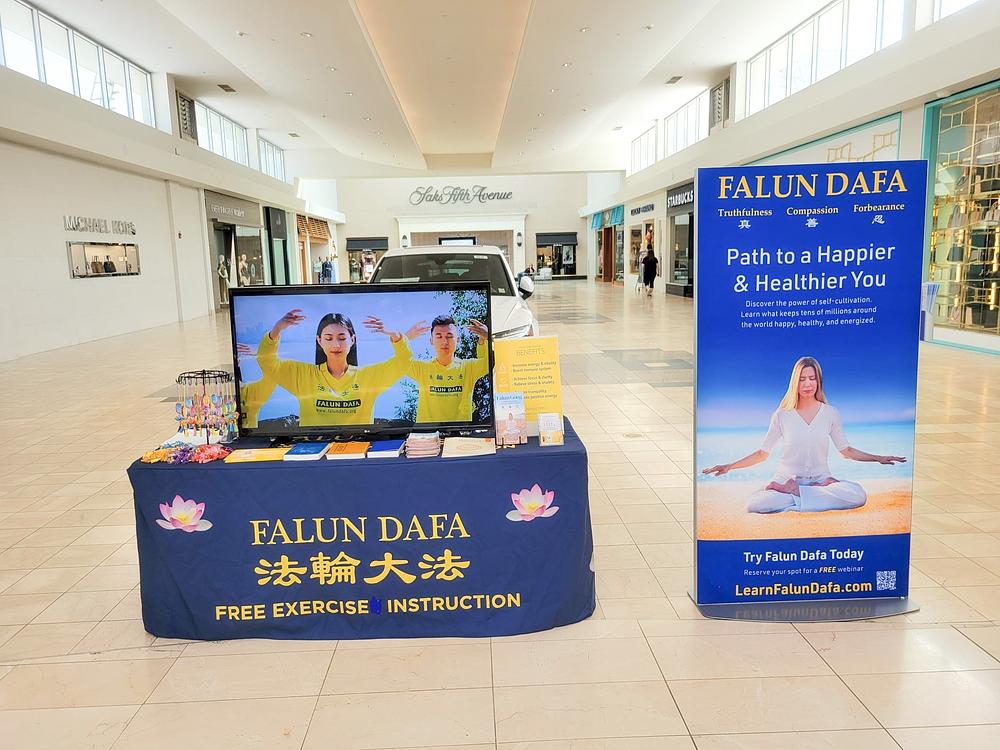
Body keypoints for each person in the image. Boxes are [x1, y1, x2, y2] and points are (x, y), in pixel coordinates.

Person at [702, 356, 906, 513]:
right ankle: (804, 495)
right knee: (755, 504)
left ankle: (798, 494)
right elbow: (762, 454)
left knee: (858, 495)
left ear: (819, 381)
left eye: (812, 378)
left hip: (821, 480)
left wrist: (878, 458)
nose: (807, 384)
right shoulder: (782, 415)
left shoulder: (830, 413)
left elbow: (846, 451)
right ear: (795, 383)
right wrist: (729, 466)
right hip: (786, 479)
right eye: (802, 379)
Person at [256, 309, 425, 426]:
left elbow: (403, 361)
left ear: (353, 340)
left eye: (342, 338)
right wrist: (276, 330)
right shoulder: (303, 375)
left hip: (359, 449)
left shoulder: (368, 377)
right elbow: (267, 363)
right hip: (314, 450)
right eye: (328, 338)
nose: (336, 345)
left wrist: (393, 334)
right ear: (319, 341)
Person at [406, 315, 489, 423]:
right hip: (427, 432)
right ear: (431, 341)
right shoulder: (422, 368)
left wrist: (485, 338)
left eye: (449, 336)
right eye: (439, 336)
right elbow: (397, 363)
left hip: (460, 432)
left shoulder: (468, 368)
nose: (444, 341)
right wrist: (405, 339)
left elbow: (489, 362)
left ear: (458, 340)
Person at [235, 343, 275, 428]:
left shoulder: (253, 392)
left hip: (248, 435)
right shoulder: (222, 390)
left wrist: (260, 355)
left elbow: (272, 377)